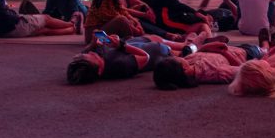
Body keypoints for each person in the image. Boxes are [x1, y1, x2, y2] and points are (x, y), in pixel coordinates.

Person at [66, 32, 202, 84]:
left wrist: (94, 42)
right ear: (99, 71)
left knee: (156, 37)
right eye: (90, 56)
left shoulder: (97, 56)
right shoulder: (120, 66)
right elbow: (145, 57)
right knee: (184, 49)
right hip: (158, 52)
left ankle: (190, 40)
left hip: (139, 41)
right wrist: (121, 45)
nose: (91, 53)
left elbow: (93, 46)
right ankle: (196, 43)